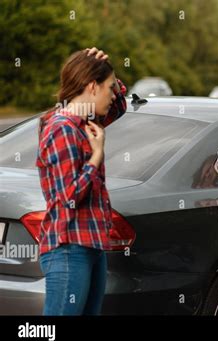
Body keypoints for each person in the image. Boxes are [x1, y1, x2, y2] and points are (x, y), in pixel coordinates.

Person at [36, 47, 127, 315]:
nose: (113, 95)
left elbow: (120, 106)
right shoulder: (62, 128)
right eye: (109, 88)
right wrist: (95, 157)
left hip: (91, 244)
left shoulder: (84, 122)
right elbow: (69, 197)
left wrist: (106, 66)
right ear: (91, 87)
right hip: (68, 248)